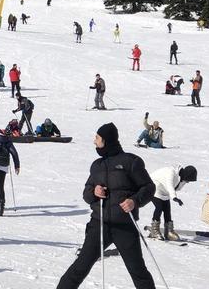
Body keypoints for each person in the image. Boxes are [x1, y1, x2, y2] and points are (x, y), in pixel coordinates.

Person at [56, 123, 156, 289]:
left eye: (97, 138)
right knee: (80, 267)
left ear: (106, 140)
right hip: (99, 224)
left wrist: (134, 201)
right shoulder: (97, 165)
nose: (94, 141)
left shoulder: (131, 161)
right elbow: (86, 194)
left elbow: (149, 187)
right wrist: (94, 192)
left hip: (124, 226)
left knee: (138, 271)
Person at [147, 165, 197, 240]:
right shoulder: (171, 172)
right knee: (159, 208)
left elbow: (177, 188)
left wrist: (174, 195)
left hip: (164, 191)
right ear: (186, 175)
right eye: (188, 179)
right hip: (153, 187)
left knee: (167, 210)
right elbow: (169, 185)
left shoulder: (182, 178)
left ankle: (168, 232)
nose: (188, 182)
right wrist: (174, 197)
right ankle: (154, 231)